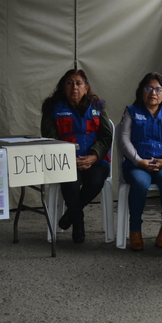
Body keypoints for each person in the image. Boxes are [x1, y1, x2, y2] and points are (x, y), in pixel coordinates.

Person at [40, 69, 112, 244]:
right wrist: (68, 157)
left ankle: (70, 215)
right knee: (70, 183)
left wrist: (94, 157)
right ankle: (78, 222)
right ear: (63, 87)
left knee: (96, 181)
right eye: (69, 83)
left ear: (86, 87)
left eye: (79, 83)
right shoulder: (52, 108)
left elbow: (106, 136)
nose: (74, 87)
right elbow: (49, 138)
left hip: (95, 160)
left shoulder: (97, 106)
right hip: (64, 159)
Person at [117, 73, 162, 251]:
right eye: (148, 88)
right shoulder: (131, 111)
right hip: (137, 165)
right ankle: (135, 229)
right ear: (141, 91)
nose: (153, 92)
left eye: (158, 89)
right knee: (139, 183)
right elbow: (123, 140)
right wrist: (139, 161)